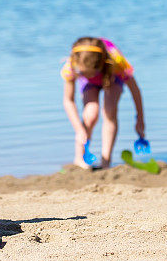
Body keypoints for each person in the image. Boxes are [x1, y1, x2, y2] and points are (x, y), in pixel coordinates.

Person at [61, 37, 146, 169]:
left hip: (112, 76)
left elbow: (135, 91)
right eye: (84, 73)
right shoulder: (73, 66)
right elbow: (68, 100)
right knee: (90, 114)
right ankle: (79, 158)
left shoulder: (117, 62)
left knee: (109, 110)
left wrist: (140, 120)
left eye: (92, 73)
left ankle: (105, 160)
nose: (89, 75)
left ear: (100, 65)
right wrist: (79, 129)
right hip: (90, 85)